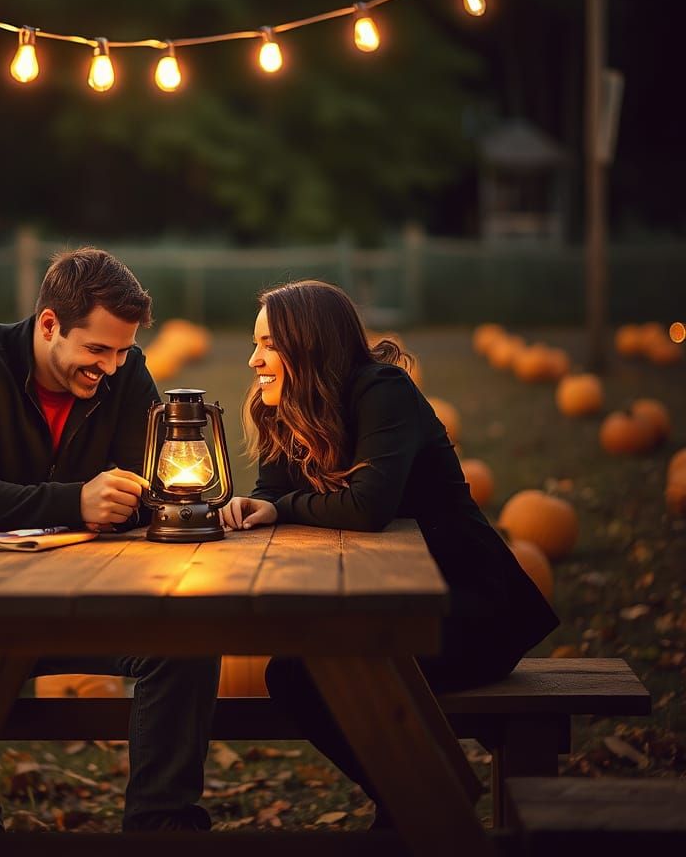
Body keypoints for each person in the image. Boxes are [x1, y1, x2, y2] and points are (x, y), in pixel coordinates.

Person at [0, 247, 219, 832]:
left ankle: (161, 828)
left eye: (122, 350)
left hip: (70, 600)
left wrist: (163, 497)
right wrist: (77, 500)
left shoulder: (126, 372)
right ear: (48, 325)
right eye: (97, 349)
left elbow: (151, 483)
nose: (112, 367)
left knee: (185, 639)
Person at [219, 279, 558, 829]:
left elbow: (366, 506)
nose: (253, 358)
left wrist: (281, 507)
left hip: (470, 612)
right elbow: (270, 494)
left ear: (309, 345)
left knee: (308, 673)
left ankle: (419, 808)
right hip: (388, 613)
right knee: (297, 671)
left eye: (268, 344)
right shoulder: (285, 406)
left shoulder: (384, 391)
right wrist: (253, 506)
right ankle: (418, 805)